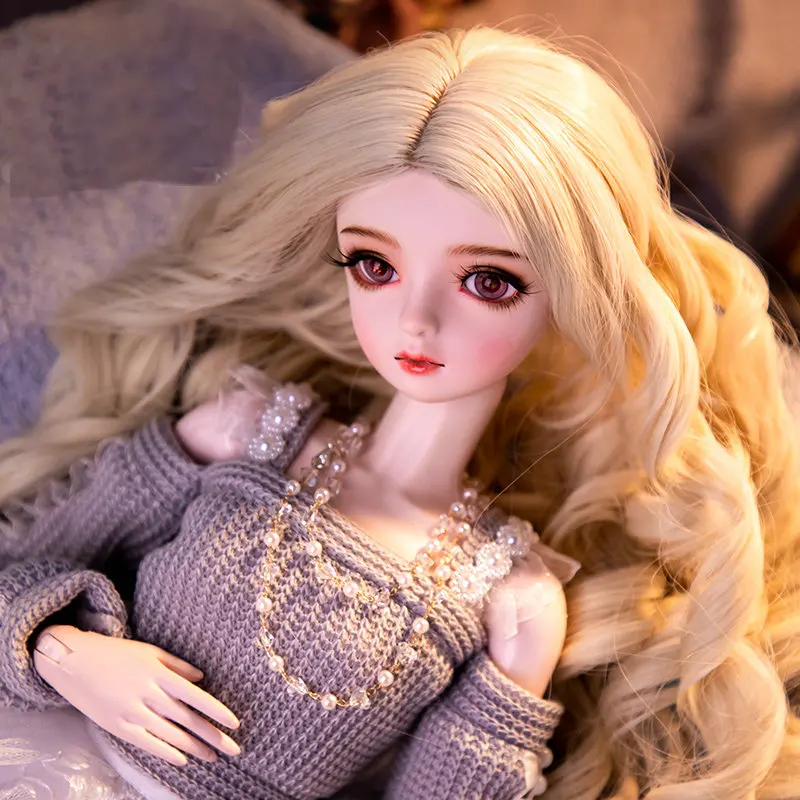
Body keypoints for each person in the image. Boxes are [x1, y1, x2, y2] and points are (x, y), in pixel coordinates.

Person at [0, 26, 798, 800]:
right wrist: (67, 655)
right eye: (374, 264)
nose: (415, 322)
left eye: (489, 282)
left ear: (568, 293)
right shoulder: (245, 432)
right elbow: (17, 570)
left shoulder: (514, 602)